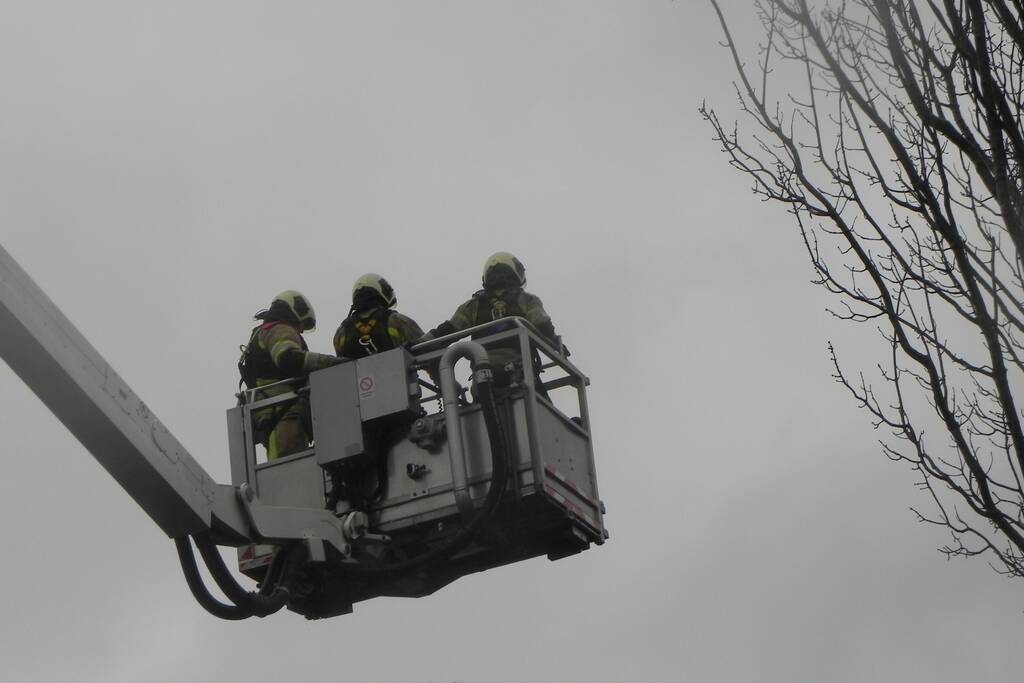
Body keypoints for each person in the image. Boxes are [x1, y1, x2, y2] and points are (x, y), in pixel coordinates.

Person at [422, 252, 562, 385]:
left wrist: (420, 344)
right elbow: (543, 325)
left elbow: (447, 330)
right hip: (522, 379)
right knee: (538, 400)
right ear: (514, 273)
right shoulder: (527, 300)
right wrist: (557, 344)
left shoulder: (473, 306)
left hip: (483, 380)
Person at [239, 290, 341, 460]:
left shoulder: (260, 333)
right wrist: (334, 363)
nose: (300, 330)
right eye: (302, 323)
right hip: (286, 416)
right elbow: (288, 358)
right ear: (294, 311)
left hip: (270, 416)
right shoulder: (279, 329)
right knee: (295, 475)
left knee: (282, 467)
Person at [334, 273, 424, 359]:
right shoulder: (396, 320)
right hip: (397, 374)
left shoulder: (341, 332)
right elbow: (426, 347)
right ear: (381, 291)